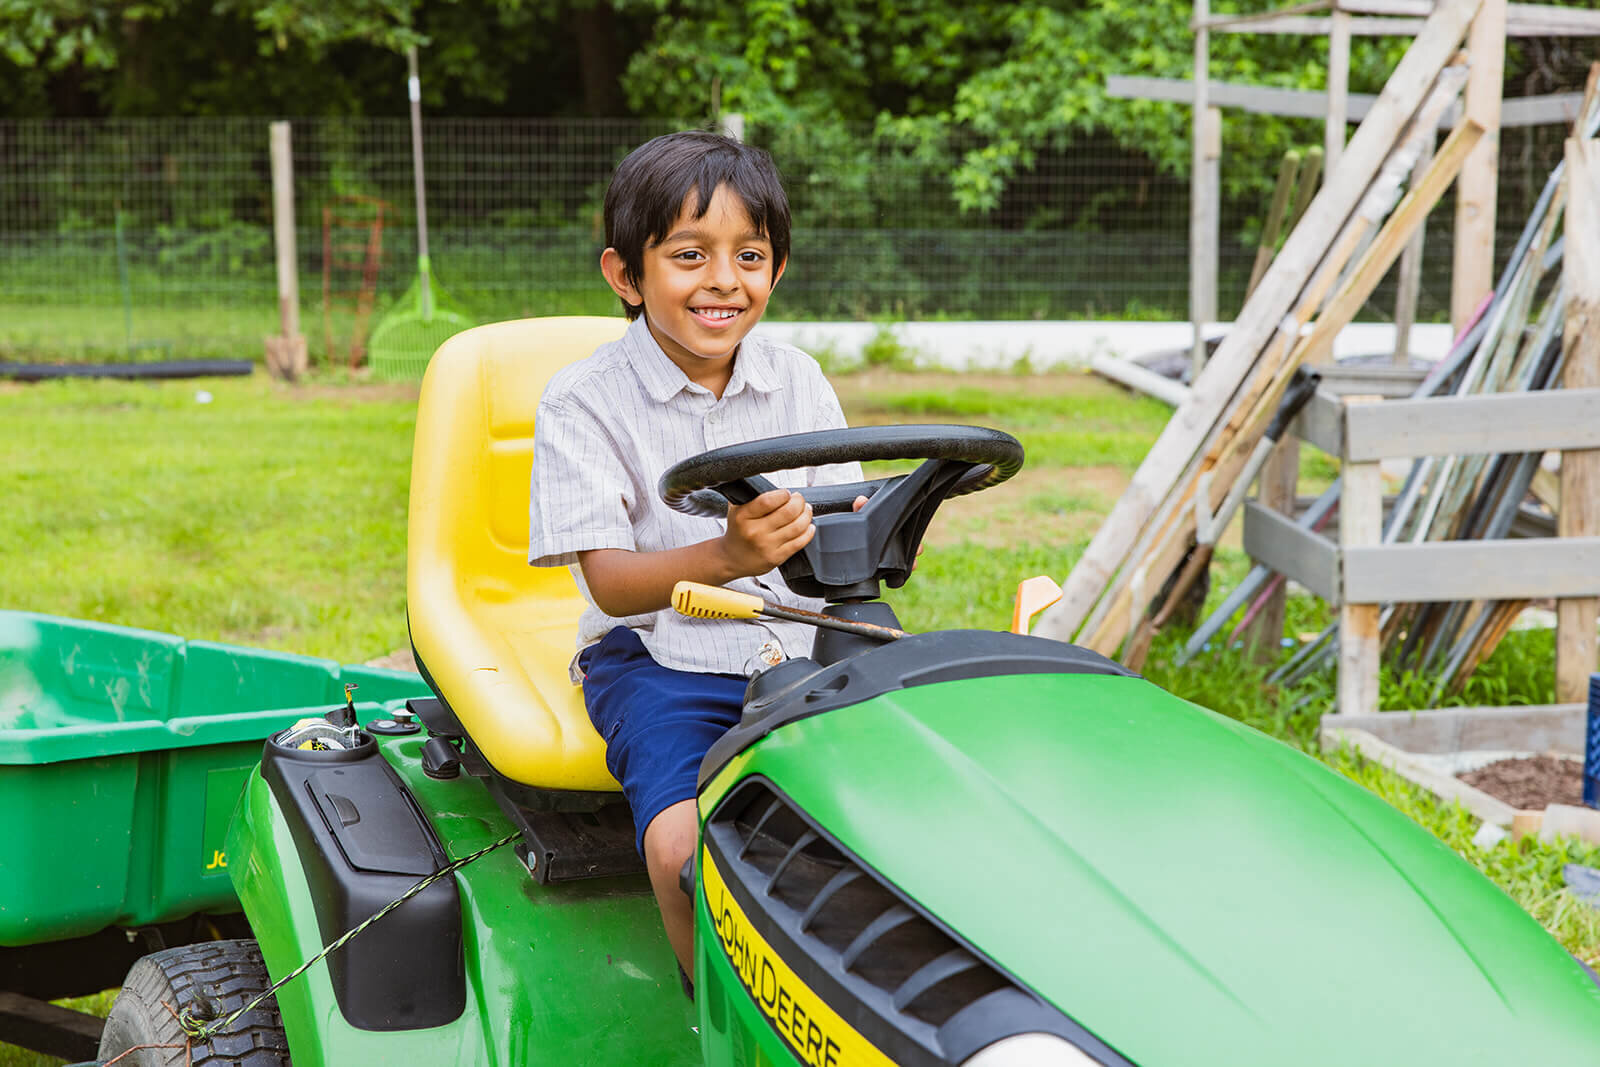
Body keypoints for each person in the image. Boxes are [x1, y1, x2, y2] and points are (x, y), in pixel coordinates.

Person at [527, 130, 862, 983]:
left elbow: (841, 521)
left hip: (796, 646)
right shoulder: (582, 402)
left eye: (749, 254)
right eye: (689, 254)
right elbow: (609, 579)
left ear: (777, 270)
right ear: (626, 276)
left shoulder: (799, 380)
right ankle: (716, 1007)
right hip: (656, 655)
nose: (723, 279)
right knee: (685, 845)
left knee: (883, 811)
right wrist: (725, 553)